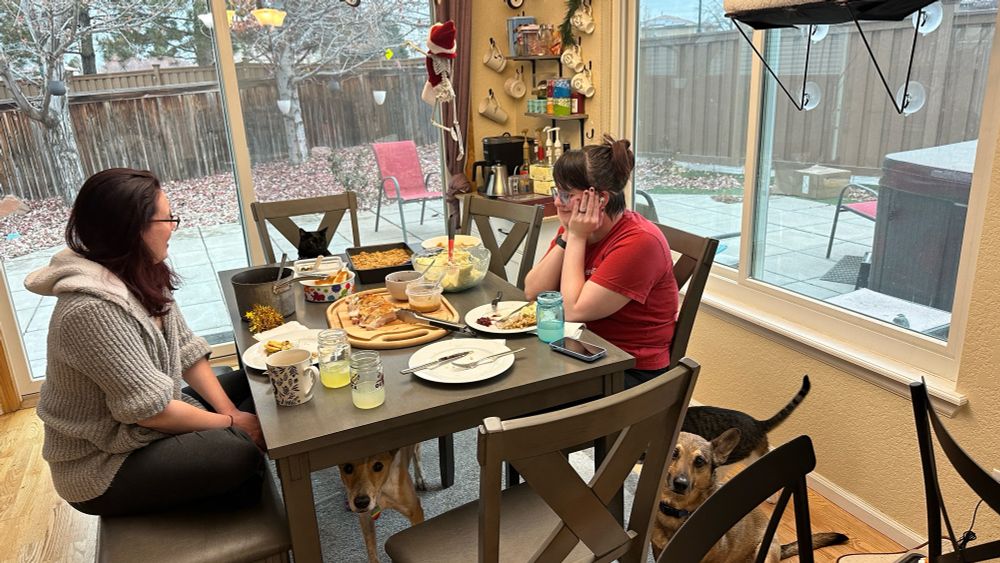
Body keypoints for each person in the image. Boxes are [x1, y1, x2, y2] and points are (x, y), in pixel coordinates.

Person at [24, 168, 265, 517]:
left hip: (145, 420)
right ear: (132, 228)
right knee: (238, 452)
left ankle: (236, 482)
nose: (173, 227)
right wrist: (234, 425)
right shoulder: (90, 309)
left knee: (257, 382)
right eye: (167, 218)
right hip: (104, 463)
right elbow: (153, 413)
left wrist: (231, 412)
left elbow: (186, 350)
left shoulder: (142, 270)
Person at [524, 136, 679, 389]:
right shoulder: (578, 229)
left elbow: (572, 311)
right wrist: (567, 235)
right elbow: (532, 291)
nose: (557, 201)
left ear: (601, 199)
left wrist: (576, 236)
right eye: (557, 191)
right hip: (584, 349)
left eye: (566, 194)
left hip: (630, 370)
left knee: (520, 398)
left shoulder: (640, 242)